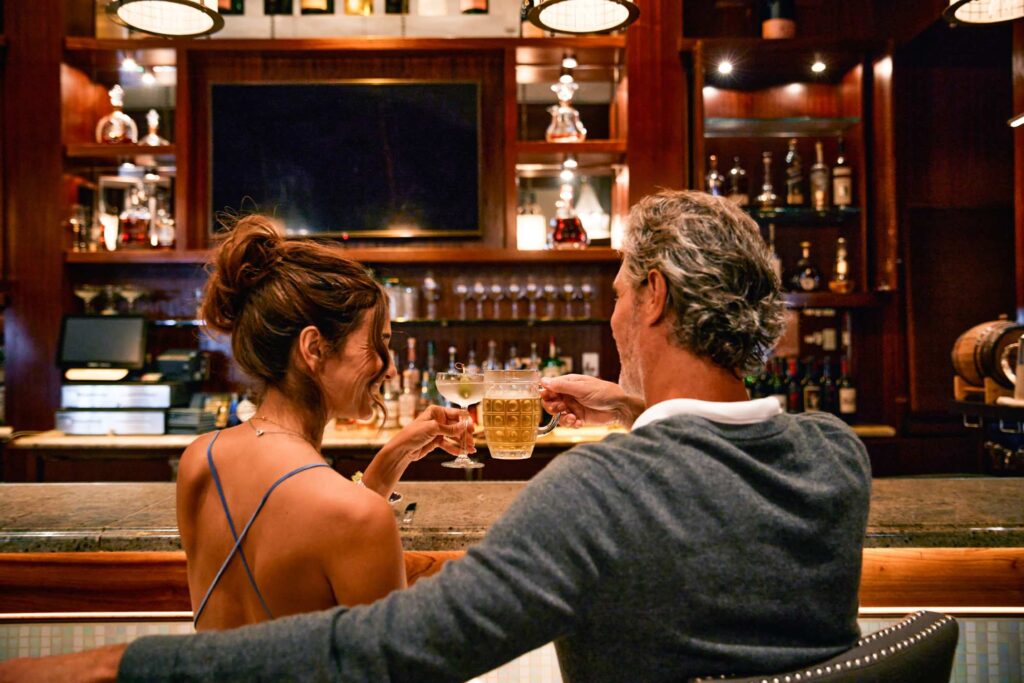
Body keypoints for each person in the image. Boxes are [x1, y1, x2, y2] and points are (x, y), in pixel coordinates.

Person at [0, 191, 870, 683]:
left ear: (652, 299)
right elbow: (721, 452)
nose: (610, 314)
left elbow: (389, 650)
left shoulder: (596, 495)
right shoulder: (836, 457)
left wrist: (128, 667)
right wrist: (628, 404)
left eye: (613, 291)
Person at [179, 215, 473, 630]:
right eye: (379, 344)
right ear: (314, 348)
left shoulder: (200, 459)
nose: (389, 370)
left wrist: (393, 456)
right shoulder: (360, 518)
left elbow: (298, 548)